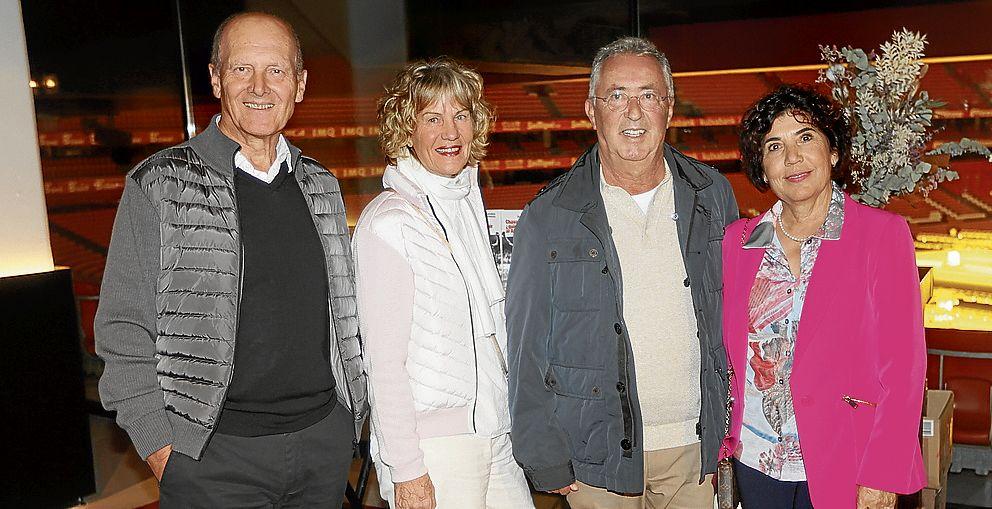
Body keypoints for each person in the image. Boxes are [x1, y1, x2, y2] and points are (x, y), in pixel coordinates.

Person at [95, 12, 366, 507]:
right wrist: (161, 447)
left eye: (277, 70)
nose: (260, 86)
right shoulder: (160, 183)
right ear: (216, 78)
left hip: (322, 446)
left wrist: (347, 420)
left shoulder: (321, 185)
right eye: (242, 69)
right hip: (211, 459)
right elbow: (122, 328)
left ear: (300, 85)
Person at [506, 37, 738, 508]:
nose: (633, 112)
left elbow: (733, 320)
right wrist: (542, 452)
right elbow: (526, 346)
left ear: (669, 106)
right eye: (616, 96)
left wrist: (733, 434)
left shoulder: (711, 195)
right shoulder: (549, 215)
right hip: (596, 455)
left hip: (696, 452)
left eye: (648, 95)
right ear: (592, 109)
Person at [720, 84, 927, 508]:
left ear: (832, 152)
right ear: (762, 167)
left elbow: (903, 365)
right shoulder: (737, 243)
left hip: (847, 456)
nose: (792, 157)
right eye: (774, 146)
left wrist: (883, 472)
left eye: (806, 138)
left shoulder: (880, 235)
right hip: (758, 459)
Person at [353, 57, 534, 509]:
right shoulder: (389, 223)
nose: (450, 132)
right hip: (435, 448)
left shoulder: (465, 201)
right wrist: (407, 468)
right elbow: (383, 363)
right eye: (432, 118)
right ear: (406, 130)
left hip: (494, 431)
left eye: (460, 114)